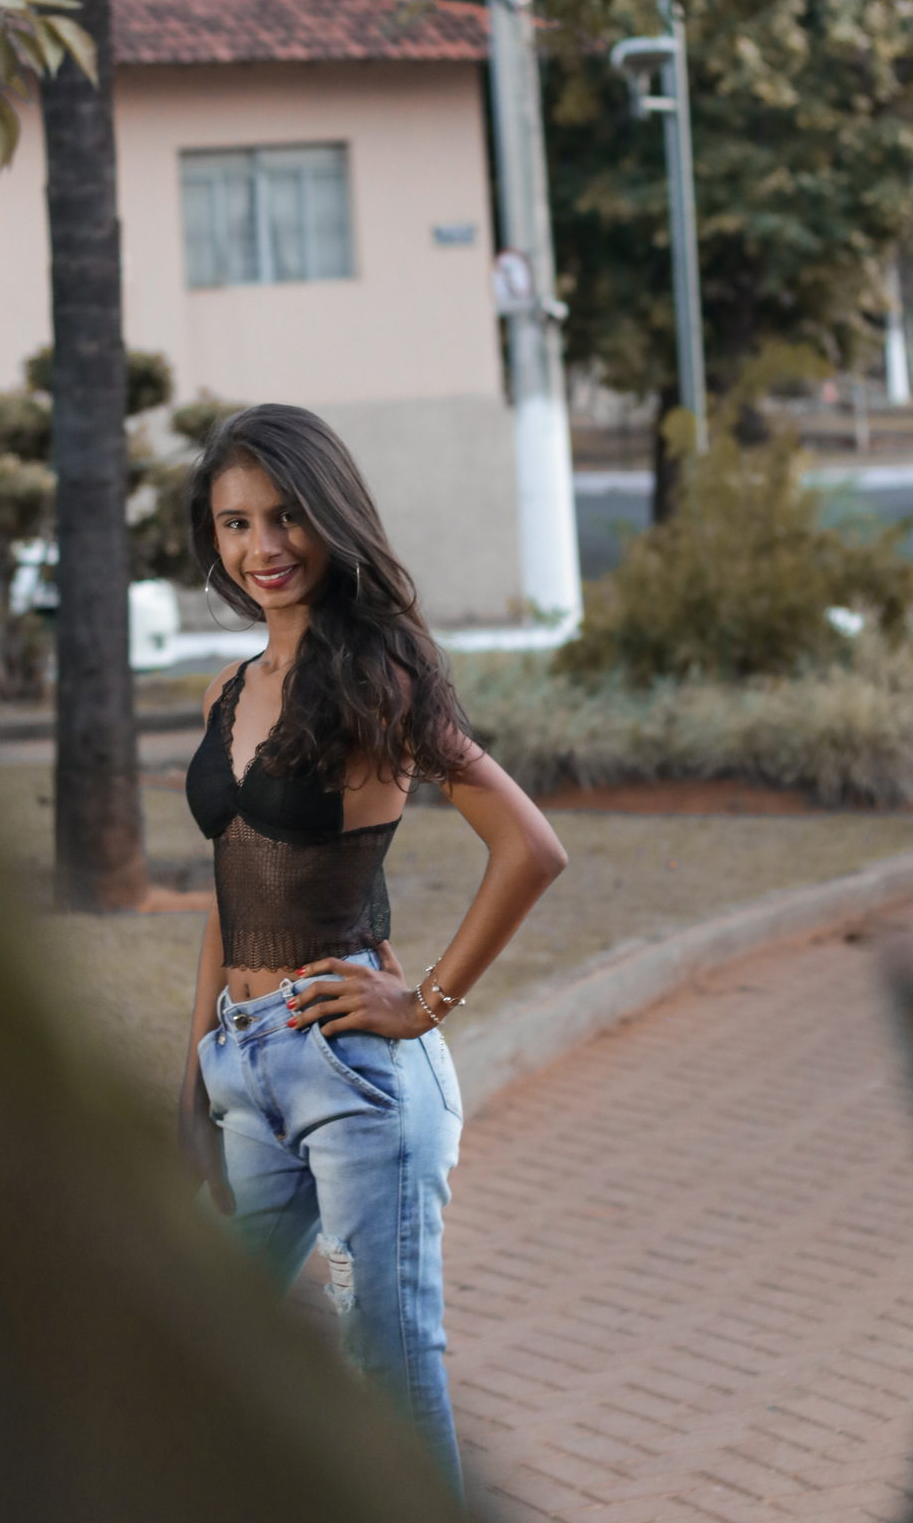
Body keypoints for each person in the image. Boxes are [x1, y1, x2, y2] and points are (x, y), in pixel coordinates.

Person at [179, 404, 567, 1495]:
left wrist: (423, 1004)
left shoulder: (378, 680)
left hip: (353, 1074)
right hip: (243, 1066)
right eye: (236, 523)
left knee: (386, 1370)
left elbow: (531, 848)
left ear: (331, 516)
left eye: (287, 516)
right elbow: (230, 892)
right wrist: (193, 1073)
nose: (264, 547)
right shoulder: (225, 693)